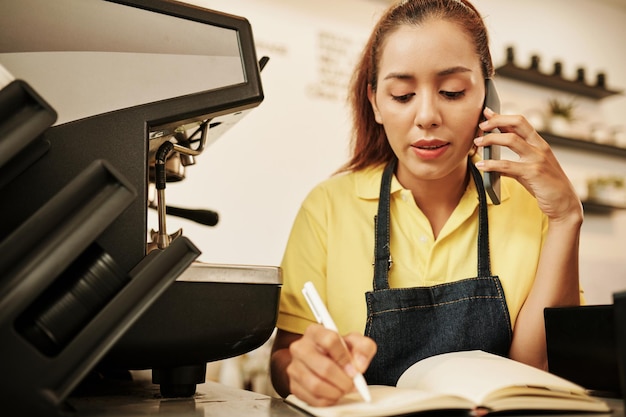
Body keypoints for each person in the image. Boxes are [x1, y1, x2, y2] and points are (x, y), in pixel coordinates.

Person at [270, 0, 583, 407]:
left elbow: (535, 369)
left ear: (487, 94)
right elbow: (284, 360)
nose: (427, 115)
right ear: (376, 102)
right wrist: (302, 369)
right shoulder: (327, 207)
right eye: (402, 95)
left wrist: (566, 218)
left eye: (452, 91)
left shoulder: (531, 208)